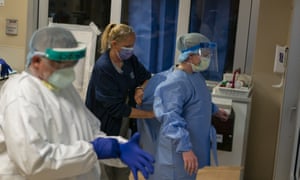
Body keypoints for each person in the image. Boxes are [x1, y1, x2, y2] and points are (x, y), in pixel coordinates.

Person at [0, 26, 154, 180]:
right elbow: (33, 161)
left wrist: (118, 147)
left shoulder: (64, 89)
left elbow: (90, 133)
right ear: (36, 61)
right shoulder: (21, 94)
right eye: (61, 65)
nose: (68, 70)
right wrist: (94, 150)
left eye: (71, 64)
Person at [139, 32, 228, 180]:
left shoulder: (195, 76)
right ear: (190, 55)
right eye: (204, 54)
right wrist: (185, 148)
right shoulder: (175, 82)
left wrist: (215, 111)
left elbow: (199, 100)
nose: (208, 58)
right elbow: (170, 118)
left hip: (194, 146)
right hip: (178, 153)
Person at [85, 23, 154, 180]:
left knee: (123, 167)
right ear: (114, 44)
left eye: (132, 46)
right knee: (105, 171)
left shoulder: (130, 60)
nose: (130, 50)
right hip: (104, 124)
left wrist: (140, 89)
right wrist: (149, 114)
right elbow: (116, 108)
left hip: (123, 122)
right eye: (127, 46)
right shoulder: (103, 68)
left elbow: (146, 77)